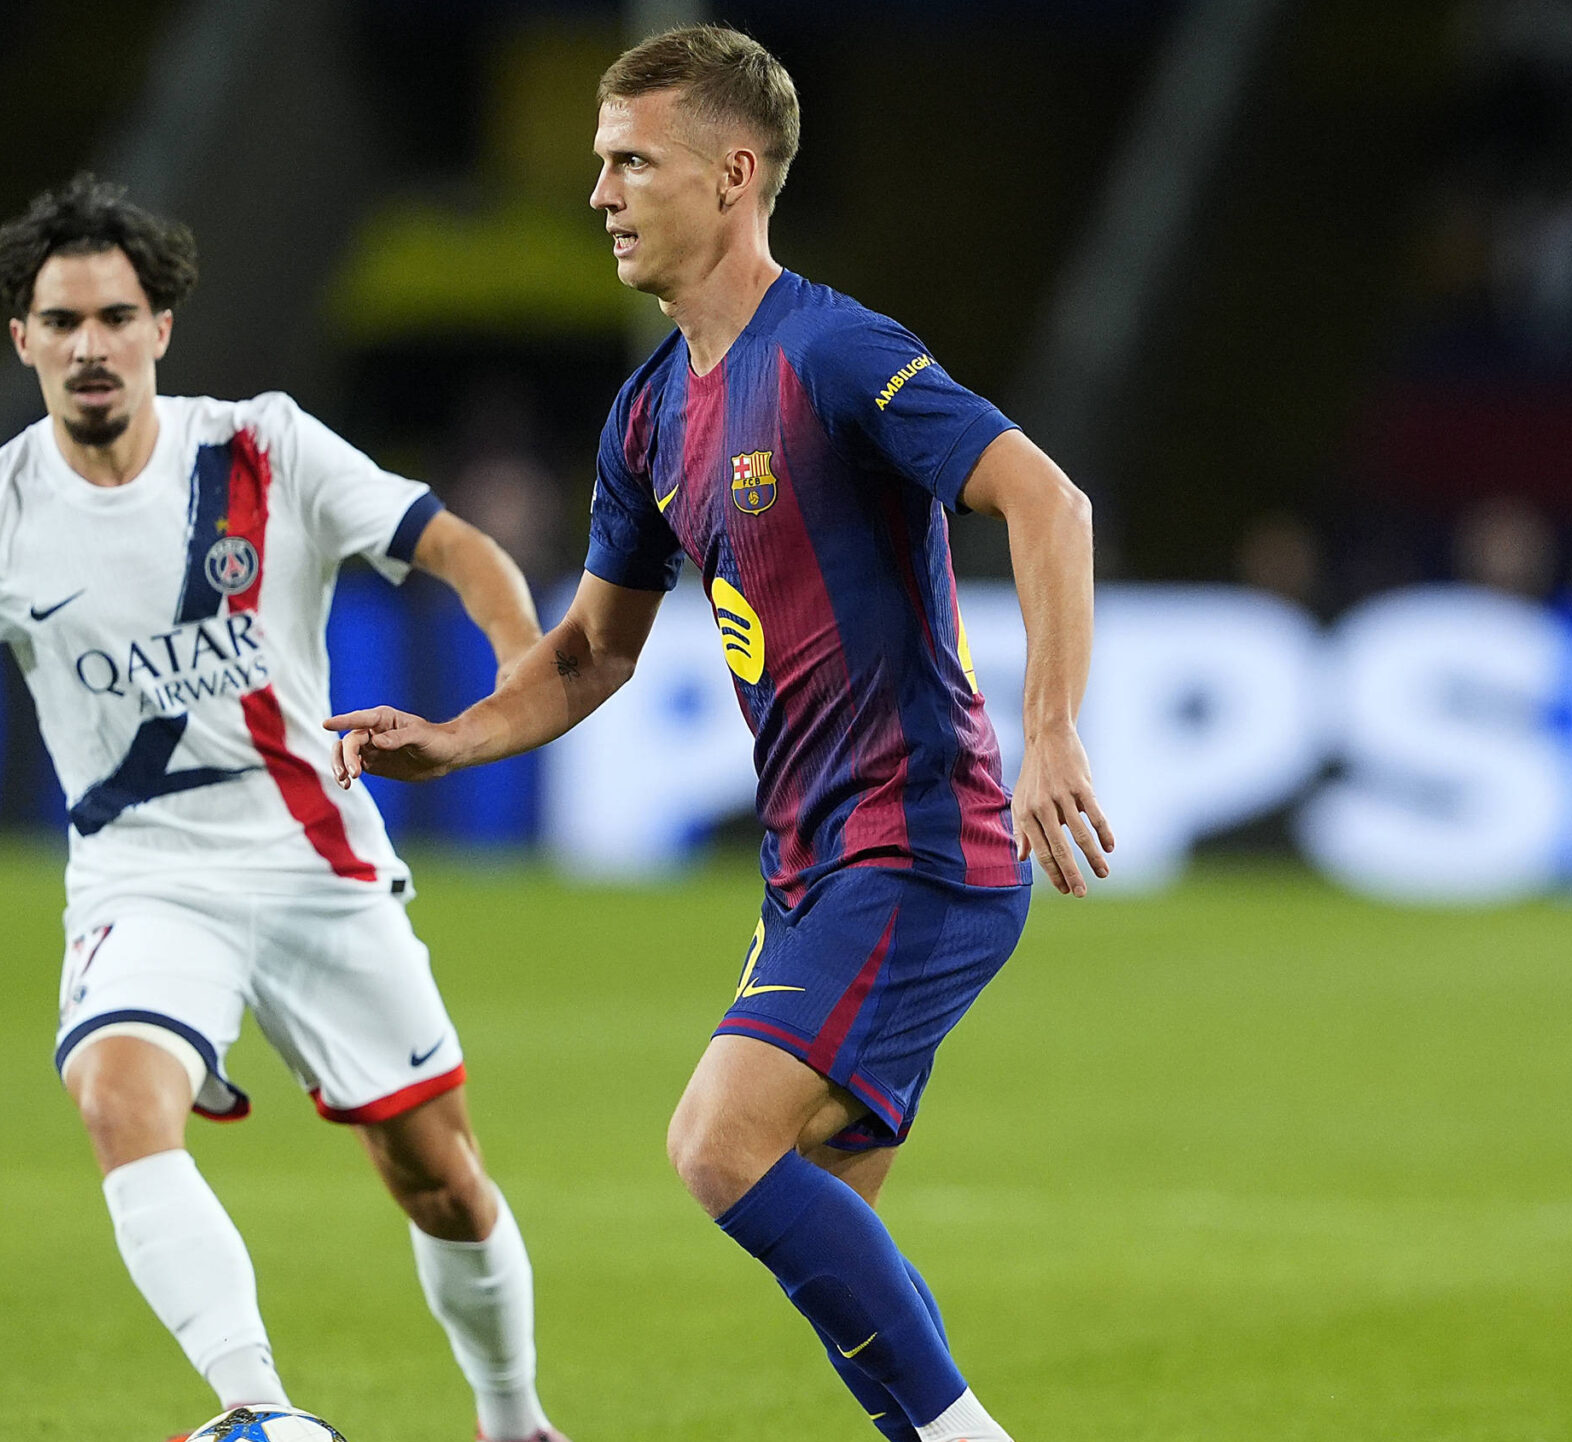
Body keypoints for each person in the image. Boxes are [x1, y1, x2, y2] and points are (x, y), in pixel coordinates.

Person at [326, 27, 1109, 1442]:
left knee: (717, 1142)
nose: (601, 192)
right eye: (599, 162)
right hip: (812, 867)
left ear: (735, 174)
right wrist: (451, 739)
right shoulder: (646, 413)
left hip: (916, 840)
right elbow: (589, 654)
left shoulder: (833, 349)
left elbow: (1048, 501)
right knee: (830, 1248)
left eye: (634, 161)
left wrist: (1049, 727)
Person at [0, 174, 567, 1442]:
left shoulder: (265, 447)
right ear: (23, 340)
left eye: (115, 315)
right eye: (61, 321)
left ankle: (514, 1418)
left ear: (161, 326)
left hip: (312, 851)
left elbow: (458, 547)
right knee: (116, 1094)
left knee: (436, 1175)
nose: (90, 344)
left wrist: (510, 689)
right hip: (143, 873)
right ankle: (258, 1409)